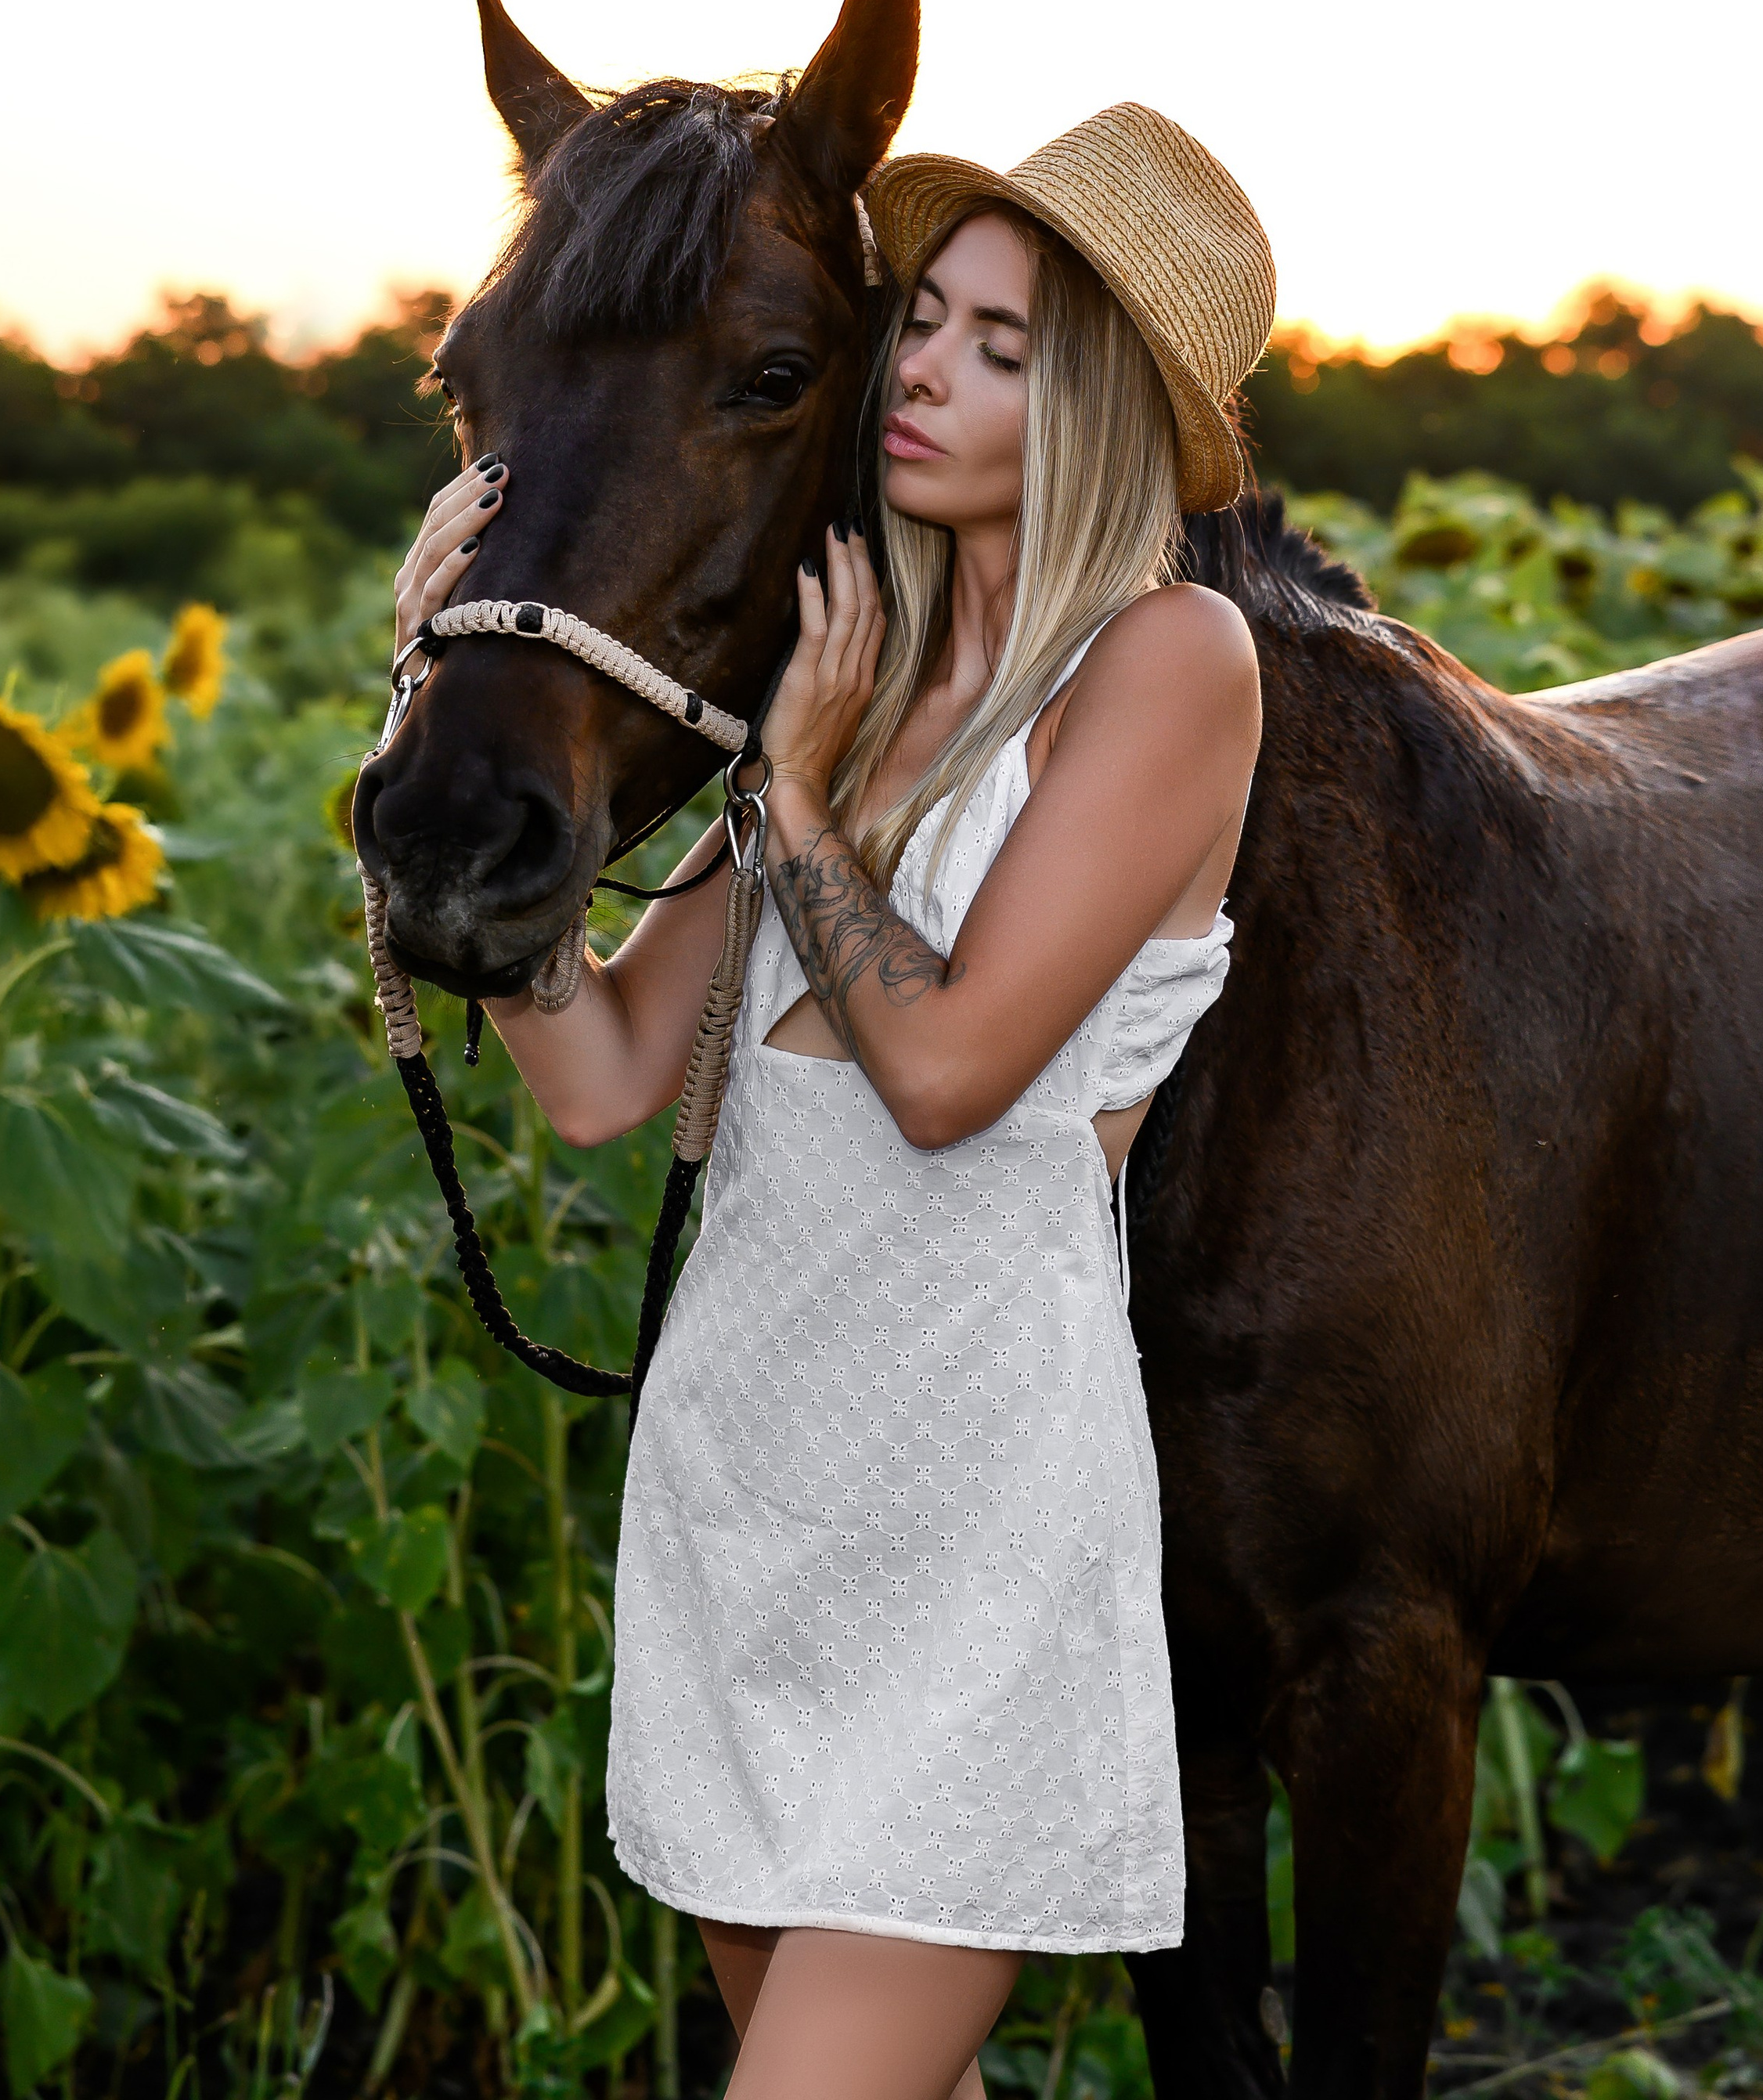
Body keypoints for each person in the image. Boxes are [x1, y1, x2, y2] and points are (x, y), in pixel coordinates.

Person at [396, 103, 1276, 2100]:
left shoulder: (1161, 664)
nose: (926, 373)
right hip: (742, 1510)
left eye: (1004, 346)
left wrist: (790, 803)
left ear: (1114, 413)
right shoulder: (844, 670)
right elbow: (607, 1073)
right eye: (926, 318)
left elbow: (956, 1071)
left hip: (966, 1532)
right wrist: (434, 706)